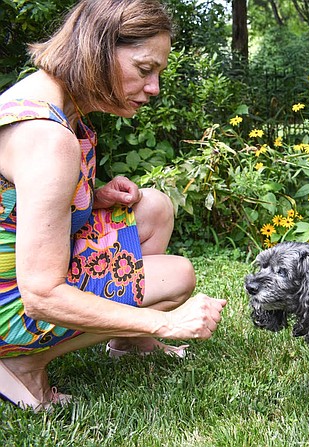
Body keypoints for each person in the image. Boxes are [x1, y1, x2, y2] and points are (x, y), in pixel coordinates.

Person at [0, 0, 226, 410]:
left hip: (15, 265)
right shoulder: (47, 138)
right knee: (177, 276)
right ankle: (25, 363)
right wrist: (167, 322)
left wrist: (91, 196)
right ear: (98, 48)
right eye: (144, 69)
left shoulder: (48, 98)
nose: (154, 88)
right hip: (10, 306)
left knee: (154, 207)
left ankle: (127, 339)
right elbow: (41, 295)